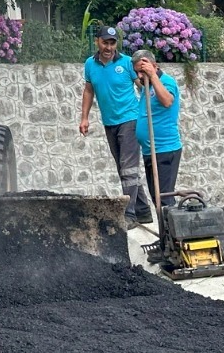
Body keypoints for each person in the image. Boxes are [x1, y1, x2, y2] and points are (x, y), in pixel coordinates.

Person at [78, 26, 151, 223]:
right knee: (124, 169)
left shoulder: (127, 63)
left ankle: (130, 215)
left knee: (128, 167)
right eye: (105, 42)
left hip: (130, 119)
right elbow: (88, 90)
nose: (109, 47)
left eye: (112, 43)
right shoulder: (90, 65)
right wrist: (84, 117)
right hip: (109, 122)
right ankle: (143, 210)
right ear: (97, 42)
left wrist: (148, 79)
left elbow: (141, 84)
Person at [132, 49, 182, 208]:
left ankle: (171, 232)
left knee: (165, 198)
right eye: (137, 72)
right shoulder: (148, 86)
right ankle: (165, 230)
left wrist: (152, 75)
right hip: (149, 150)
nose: (140, 76)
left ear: (154, 66)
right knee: (156, 198)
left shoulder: (166, 82)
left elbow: (167, 101)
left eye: (142, 71)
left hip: (164, 149)